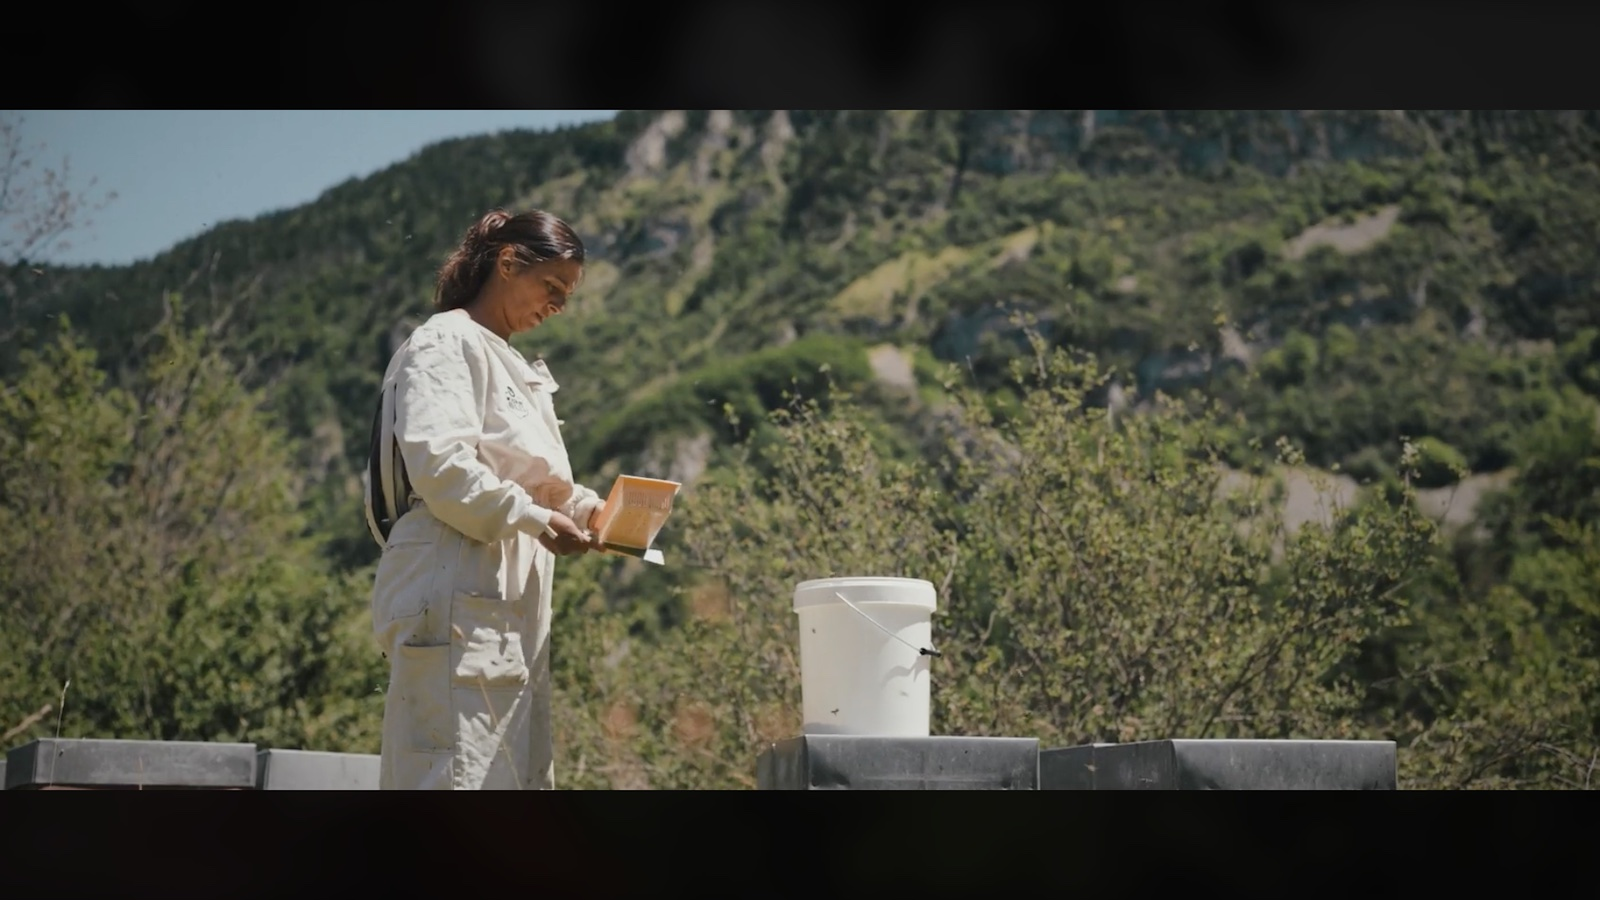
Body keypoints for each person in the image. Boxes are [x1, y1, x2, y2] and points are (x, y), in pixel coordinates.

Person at [363, 207, 606, 790]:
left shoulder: (509, 361)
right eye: (551, 287)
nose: (558, 306)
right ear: (506, 262)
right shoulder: (446, 342)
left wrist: (590, 512)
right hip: (455, 584)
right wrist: (532, 515)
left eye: (567, 295)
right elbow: (441, 468)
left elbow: (533, 480)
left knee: (504, 773)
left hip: (498, 599)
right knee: (455, 772)